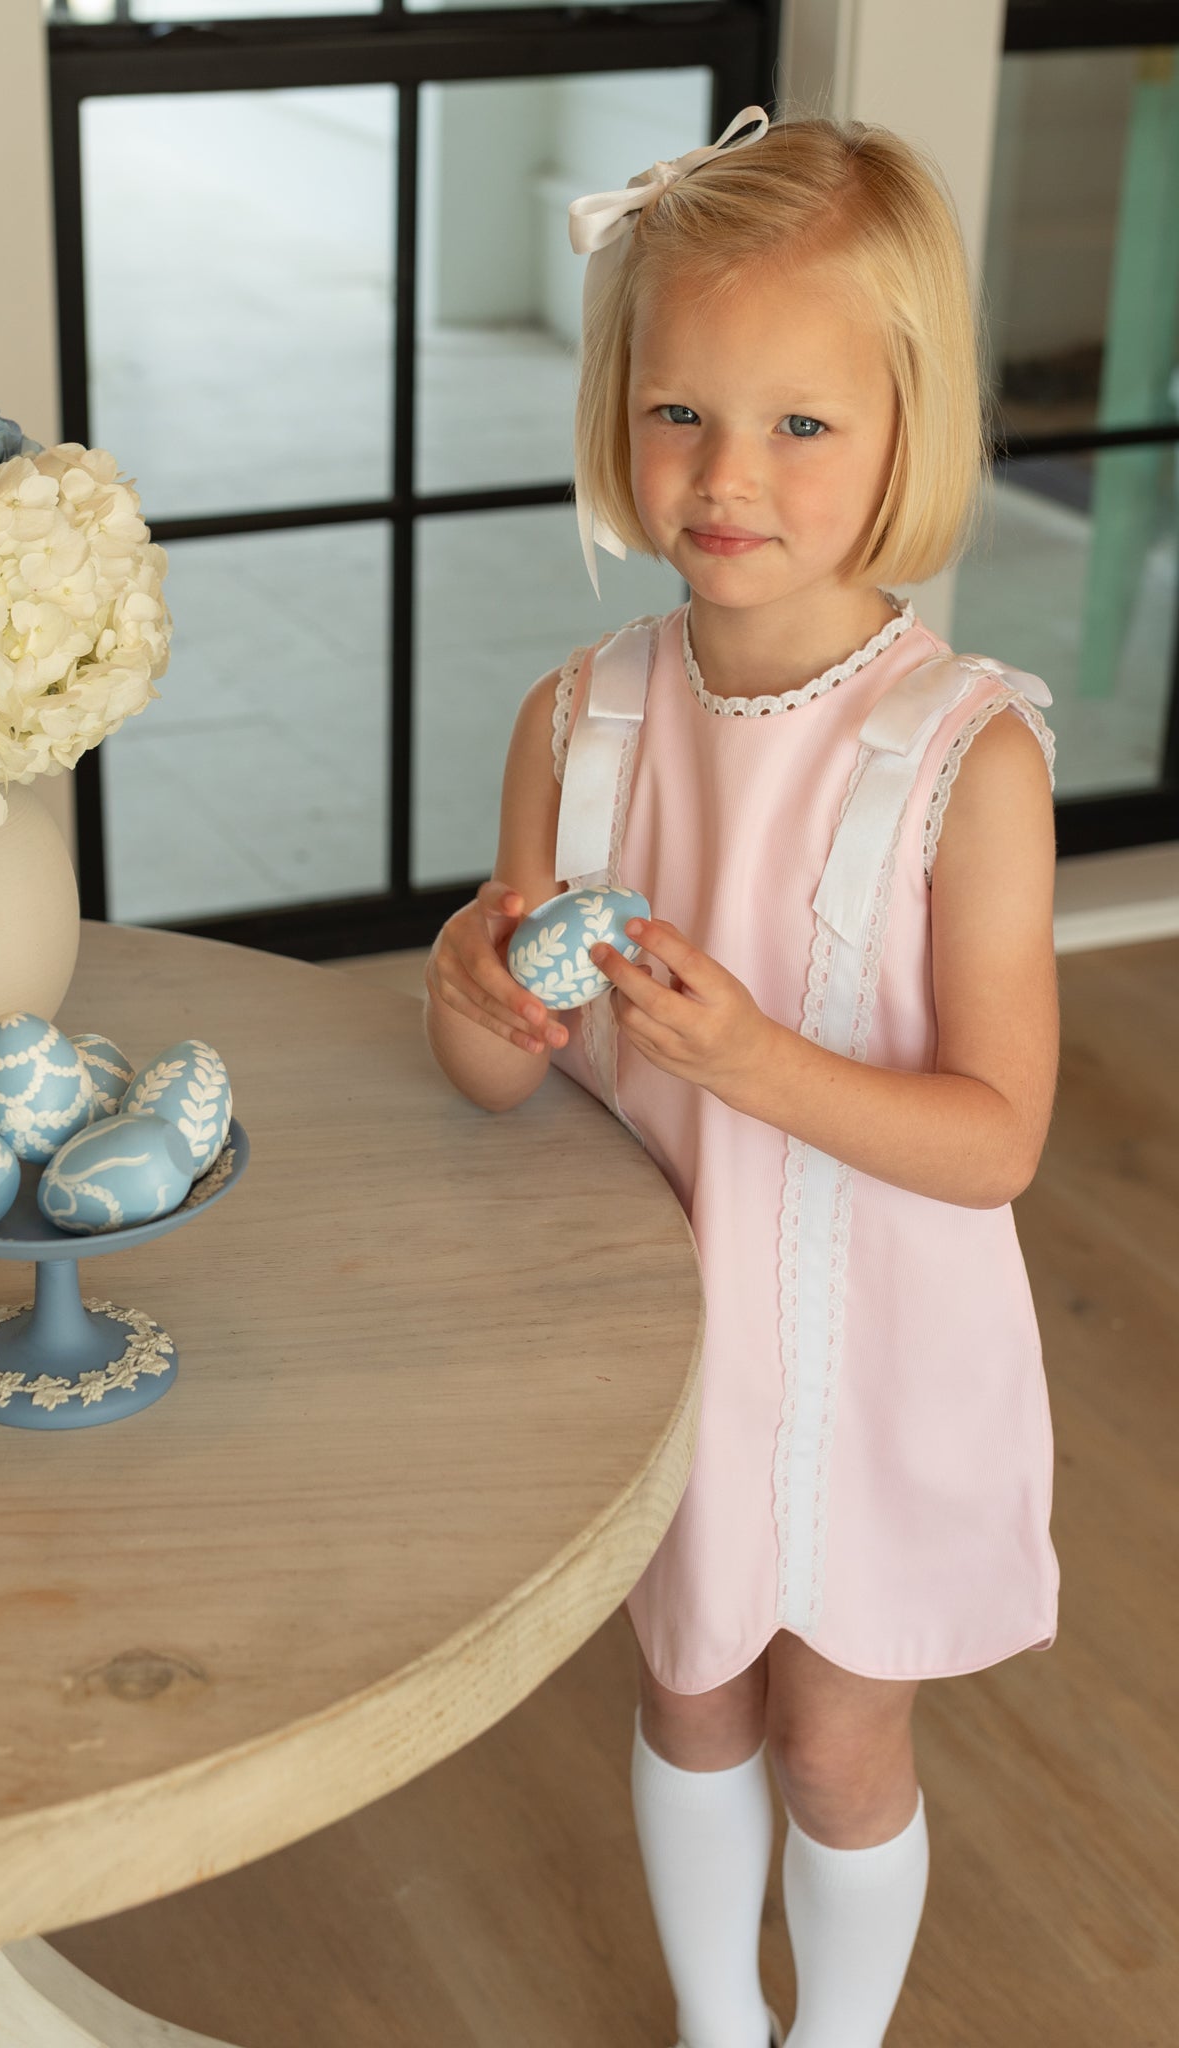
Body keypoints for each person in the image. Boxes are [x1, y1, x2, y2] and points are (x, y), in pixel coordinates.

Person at [425, 113, 1058, 2048]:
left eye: (800, 425)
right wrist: (475, 992)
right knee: (690, 1695)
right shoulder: (578, 715)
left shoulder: (965, 761)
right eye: (679, 411)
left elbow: (993, 1140)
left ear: (904, 428)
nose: (725, 475)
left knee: (835, 1730)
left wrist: (754, 1057)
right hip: (669, 1332)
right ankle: (720, 2023)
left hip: (873, 1342)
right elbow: (500, 1087)